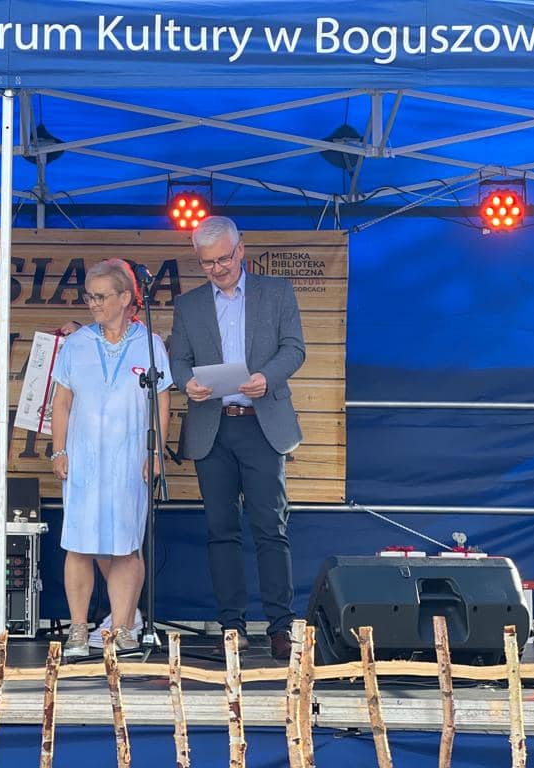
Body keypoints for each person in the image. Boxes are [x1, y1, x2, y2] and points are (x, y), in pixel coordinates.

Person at [169, 216, 306, 660]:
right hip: (213, 426)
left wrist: (267, 377)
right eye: (207, 262)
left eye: (224, 259)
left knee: (270, 527)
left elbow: (294, 348)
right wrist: (187, 383)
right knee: (220, 530)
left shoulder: (277, 292)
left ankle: (281, 626)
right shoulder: (189, 305)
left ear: (241, 249)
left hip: (261, 424)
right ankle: (232, 626)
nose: (217, 269)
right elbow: (178, 360)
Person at [50, 259, 172, 657]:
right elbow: (62, 402)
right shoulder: (77, 343)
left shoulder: (150, 344)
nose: (93, 304)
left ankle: (122, 629)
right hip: (84, 459)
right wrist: (59, 450)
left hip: (129, 459)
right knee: (79, 544)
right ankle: (78, 630)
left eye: (101, 297)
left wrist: (156, 453)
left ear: (125, 298)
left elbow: (162, 402)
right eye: (89, 297)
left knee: (125, 545)